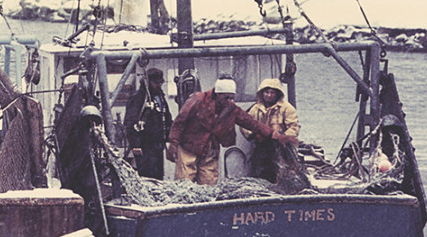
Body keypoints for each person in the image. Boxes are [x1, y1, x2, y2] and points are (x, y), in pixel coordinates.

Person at [167, 74, 298, 185]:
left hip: (210, 149)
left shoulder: (231, 108)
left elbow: (251, 123)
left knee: (209, 183)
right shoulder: (198, 99)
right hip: (189, 147)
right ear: (217, 94)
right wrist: (173, 143)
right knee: (184, 182)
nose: (230, 100)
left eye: (232, 97)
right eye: (226, 97)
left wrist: (274, 134)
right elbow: (179, 121)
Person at [245, 77, 300, 183]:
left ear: (277, 94)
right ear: (262, 93)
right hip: (261, 145)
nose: (269, 95)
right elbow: (245, 124)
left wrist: (281, 136)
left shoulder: (287, 108)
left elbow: (294, 127)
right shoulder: (256, 108)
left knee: (280, 172)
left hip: (280, 146)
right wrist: (253, 135)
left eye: (272, 93)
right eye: (267, 92)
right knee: (259, 171)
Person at [123, 68, 173, 179]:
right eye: (156, 83)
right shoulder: (138, 99)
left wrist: (171, 137)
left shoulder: (160, 98)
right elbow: (130, 122)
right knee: (147, 176)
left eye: (160, 82)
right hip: (144, 146)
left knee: (158, 176)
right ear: (148, 82)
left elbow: (166, 118)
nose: (159, 85)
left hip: (158, 145)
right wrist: (135, 144)